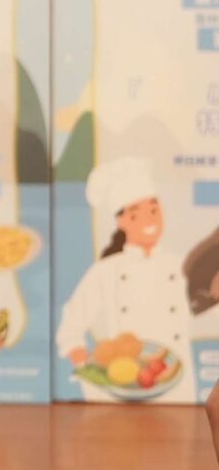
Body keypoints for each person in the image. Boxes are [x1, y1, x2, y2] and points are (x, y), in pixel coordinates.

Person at [57, 158, 193, 403]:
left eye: (154, 210)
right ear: (120, 222)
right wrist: (89, 370)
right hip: (123, 392)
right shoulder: (105, 271)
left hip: (181, 389)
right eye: (135, 215)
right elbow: (71, 325)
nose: (149, 221)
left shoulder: (182, 265)